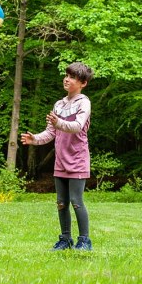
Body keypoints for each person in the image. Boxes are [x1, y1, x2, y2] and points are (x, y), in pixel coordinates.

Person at [21, 62, 94, 251]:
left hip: (77, 160)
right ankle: (65, 239)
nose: (67, 79)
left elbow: (76, 126)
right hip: (60, 162)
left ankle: (84, 241)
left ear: (83, 83)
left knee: (77, 202)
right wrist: (34, 139)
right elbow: (50, 133)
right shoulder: (59, 104)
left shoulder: (84, 102)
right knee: (61, 203)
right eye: (66, 75)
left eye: (72, 77)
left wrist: (58, 121)